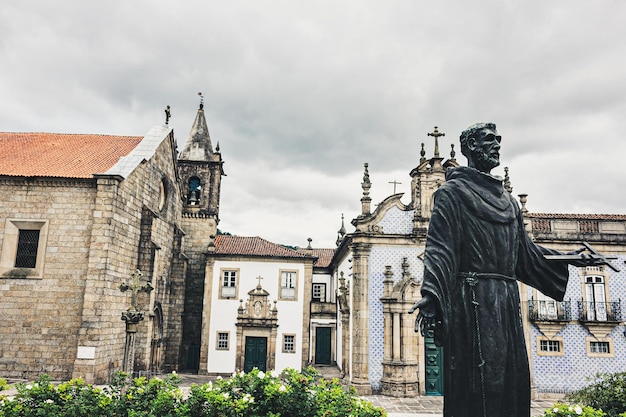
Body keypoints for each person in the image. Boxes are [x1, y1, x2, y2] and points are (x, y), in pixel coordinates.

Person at [410, 122, 587, 417]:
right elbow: (440, 248)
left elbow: (525, 254)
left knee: (511, 376)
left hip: (505, 301)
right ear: (470, 148)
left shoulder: (510, 203)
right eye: (489, 140)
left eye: (498, 140)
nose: (496, 145)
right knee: (478, 380)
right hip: (471, 300)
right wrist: (432, 295)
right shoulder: (451, 193)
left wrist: (569, 257)